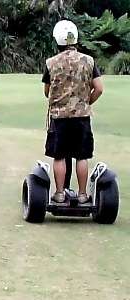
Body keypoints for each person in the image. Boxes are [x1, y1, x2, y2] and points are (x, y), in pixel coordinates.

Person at [43, 20, 104, 203]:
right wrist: (86, 102)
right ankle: (83, 194)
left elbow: (47, 92)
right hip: (82, 118)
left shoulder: (51, 62)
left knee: (59, 156)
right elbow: (99, 88)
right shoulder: (89, 61)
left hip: (59, 118)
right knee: (82, 156)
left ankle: (60, 193)